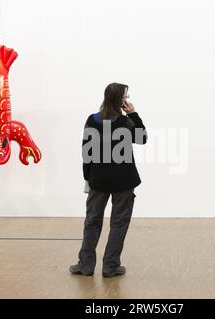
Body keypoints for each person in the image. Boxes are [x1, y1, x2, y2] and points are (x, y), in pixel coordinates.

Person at [70, 83, 147, 278]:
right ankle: (110, 266)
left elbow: (86, 152)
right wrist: (134, 114)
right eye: (126, 97)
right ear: (121, 101)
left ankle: (86, 265)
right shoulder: (125, 122)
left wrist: (87, 177)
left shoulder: (92, 120)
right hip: (124, 181)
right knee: (119, 223)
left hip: (99, 179)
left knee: (92, 222)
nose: (128, 100)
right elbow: (142, 138)